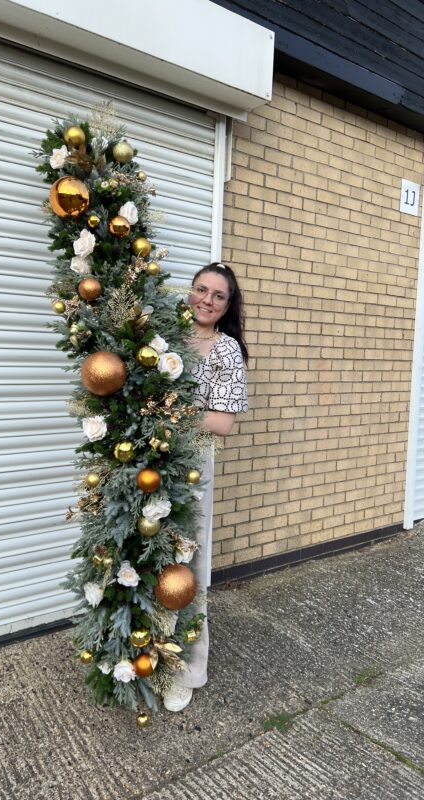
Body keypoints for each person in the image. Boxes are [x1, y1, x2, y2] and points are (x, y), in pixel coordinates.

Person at [163, 262, 249, 712]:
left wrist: (172, 408)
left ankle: (190, 666)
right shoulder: (163, 337)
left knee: (187, 565)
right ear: (190, 291)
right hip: (144, 459)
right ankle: (144, 655)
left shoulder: (226, 350)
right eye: (202, 289)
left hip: (192, 468)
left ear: (227, 306)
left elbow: (222, 422)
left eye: (219, 295)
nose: (207, 300)